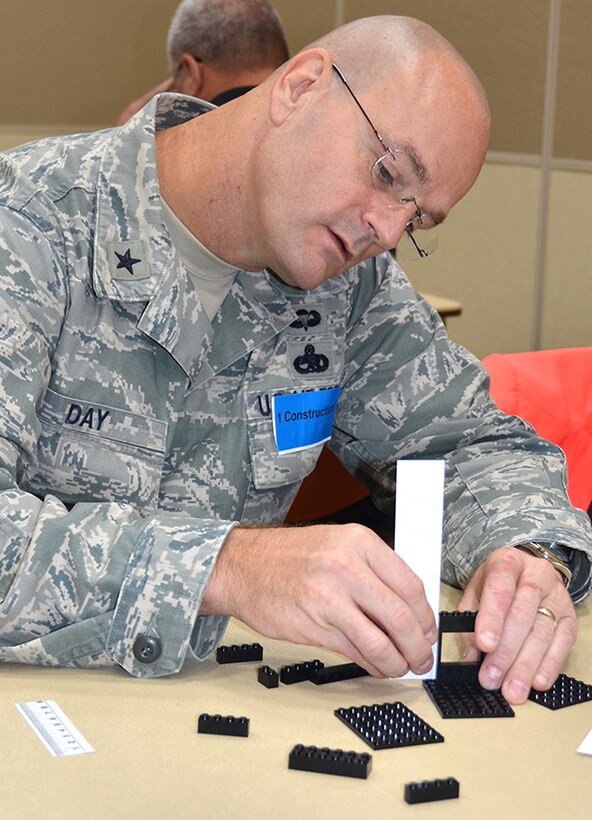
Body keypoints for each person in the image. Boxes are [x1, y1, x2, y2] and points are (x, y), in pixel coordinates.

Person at [0, 16, 590, 707]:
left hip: (202, 726)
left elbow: (473, 443)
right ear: (301, 88)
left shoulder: (349, 290)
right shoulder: (31, 224)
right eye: (387, 172)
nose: (389, 229)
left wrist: (526, 557)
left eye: (420, 219)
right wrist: (232, 567)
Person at [115, 0, 289, 124]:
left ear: (191, 72)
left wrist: (125, 132)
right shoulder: (311, 130)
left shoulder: (172, 150)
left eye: (178, 75)